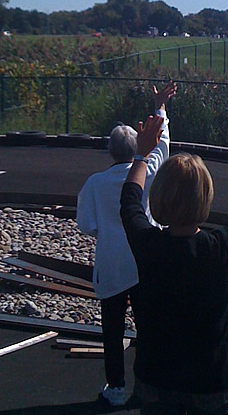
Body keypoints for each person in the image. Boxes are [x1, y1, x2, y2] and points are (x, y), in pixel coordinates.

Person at [120, 117, 228, 414]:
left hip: (157, 379)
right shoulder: (221, 246)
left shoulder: (148, 244)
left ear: (159, 195)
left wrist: (141, 154)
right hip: (213, 381)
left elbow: (130, 201)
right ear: (206, 196)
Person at [76, 81, 177, 408]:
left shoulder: (94, 184)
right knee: (150, 328)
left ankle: (116, 389)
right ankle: (150, 387)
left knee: (112, 329)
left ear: (110, 152)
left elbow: (86, 226)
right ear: (137, 148)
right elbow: (163, 141)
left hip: (112, 265)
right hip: (145, 262)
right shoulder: (150, 169)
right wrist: (160, 107)